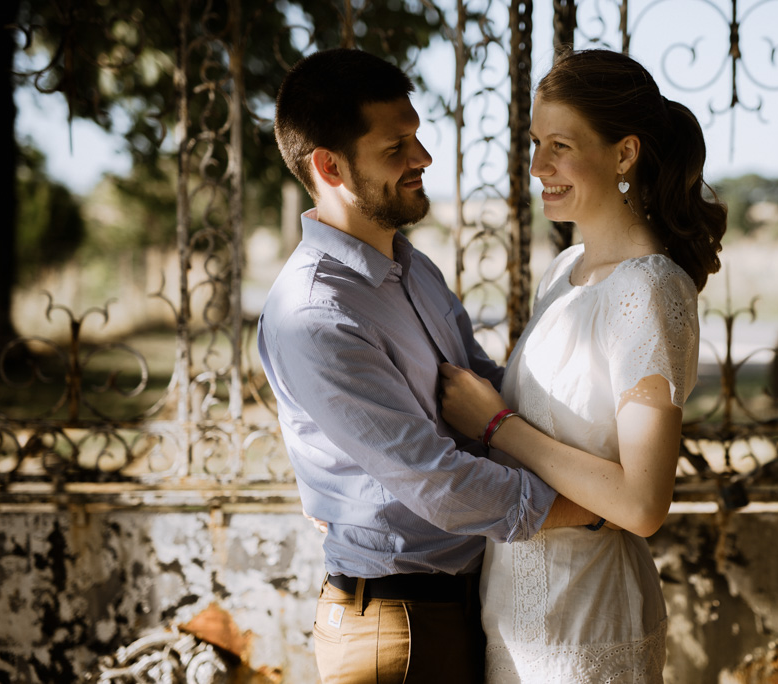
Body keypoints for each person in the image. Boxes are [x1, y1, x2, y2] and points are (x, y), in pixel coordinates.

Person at [258, 48, 601, 684]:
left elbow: (487, 397)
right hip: (399, 628)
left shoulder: (411, 267)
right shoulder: (316, 315)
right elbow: (438, 482)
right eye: (397, 148)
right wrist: (592, 507)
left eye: (417, 136)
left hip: (467, 600)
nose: (423, 159)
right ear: (329, 166)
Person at [439, 48, 727, 683]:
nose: (538, 166)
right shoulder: (565, 271)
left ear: (624, 154)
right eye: (536, 143)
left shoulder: (648, 291)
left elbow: (643, 503)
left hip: (588, 632)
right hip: (513, 616)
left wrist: (498, 426)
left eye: (561, 145)